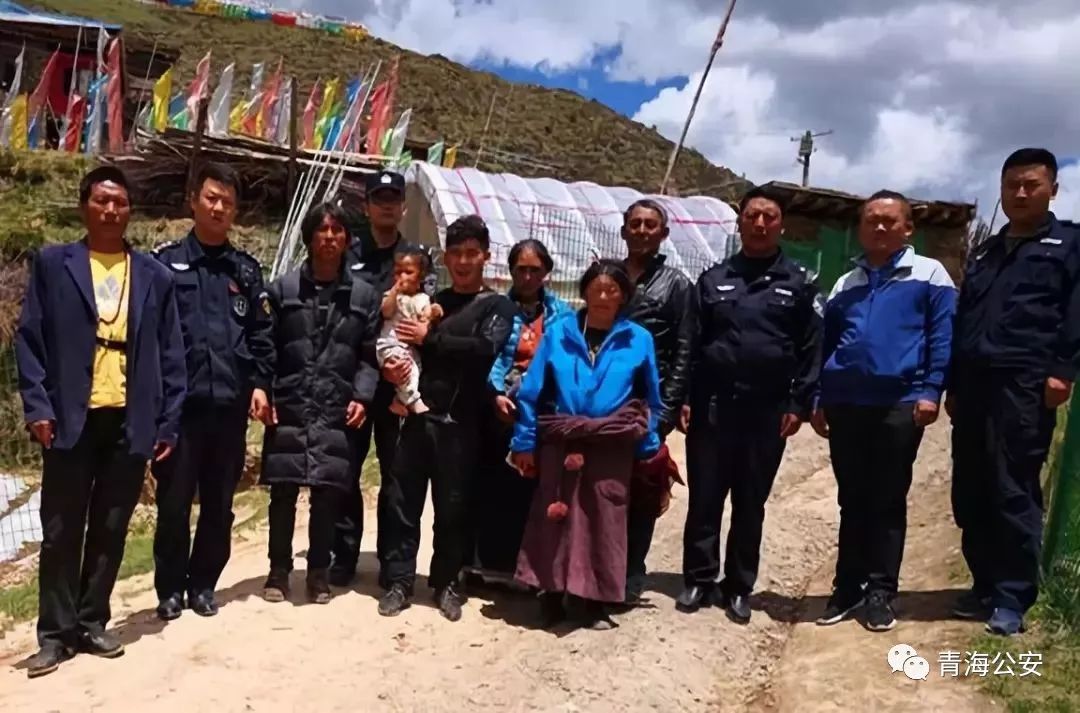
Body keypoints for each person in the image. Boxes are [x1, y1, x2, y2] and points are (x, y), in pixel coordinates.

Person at [15, 167, 186, 678]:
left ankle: (92, 621)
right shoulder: (54, 264)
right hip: (70, 418)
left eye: (120, 202)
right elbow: (30, 339)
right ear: (84, 205)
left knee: (111, 527)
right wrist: (38, 407)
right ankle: (54, 634)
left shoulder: (153, 275)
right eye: (102, 200)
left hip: (130, 420)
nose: (112, 210)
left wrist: (167, 423)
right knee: (60, 529)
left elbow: (171, 353)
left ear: (130, 211)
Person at [811, 190, 956, 632]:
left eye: (888, 220)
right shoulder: (845, 283)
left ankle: (880, 592)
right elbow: (826, 343)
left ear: (907, 228)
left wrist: (931, 391)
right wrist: (819, 396)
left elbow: (941, 337)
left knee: (887, 499)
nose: (878, 227)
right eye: (871, 219)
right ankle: (847, 588)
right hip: (846, 404)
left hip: (900, 403)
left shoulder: (931, 275)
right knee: (851, 498)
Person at [677, 187, 823, 624]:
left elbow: (813, 349)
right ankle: (699, 579)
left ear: (781, 225)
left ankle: (739, 586)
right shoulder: (712, 279)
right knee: (704, 497)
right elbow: (692, 344)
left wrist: (799, 403)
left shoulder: (799, 285)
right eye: (753, 215)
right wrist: (685, 398)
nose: (760, 223)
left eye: (769, 217)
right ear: (740, 223)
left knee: (749, 501)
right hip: (713, 406)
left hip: (767, 411)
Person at [949, 148, 1080, 636]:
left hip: (1024, 382)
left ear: (1053, 189)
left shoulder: (1068, 245)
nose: (1020, 194)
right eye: (1012, 186)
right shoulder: (985, 250)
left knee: (1012, 486)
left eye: (1031, 185)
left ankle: (1012, 596)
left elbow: (1074, 312)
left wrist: (1062, 370)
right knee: (971, 489)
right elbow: (965, 321)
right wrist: (954, 385)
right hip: (975, 383)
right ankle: (983, 584)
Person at [150, 163, 275, 621]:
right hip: (179, 411)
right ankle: (168, 589)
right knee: (174, 502)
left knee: (219, 504)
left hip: (229, 406)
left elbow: (262, 333)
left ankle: (203, 585)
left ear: (235, 211)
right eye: (211, 198)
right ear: (194, 201)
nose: (219, 207)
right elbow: (152, 334)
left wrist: (261, 385)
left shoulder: (245, 270)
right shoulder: (165, 264)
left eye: (227, 201)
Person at [510, 259, 663, 630]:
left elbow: (650, 397)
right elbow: (531, 393)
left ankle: (593, 600)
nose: (604, 297)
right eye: (597, 290)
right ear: (584, 293)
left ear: (623, 296)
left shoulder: (638, 339)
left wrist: (650, 447)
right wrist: (525, 441)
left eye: (612, 290)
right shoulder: (559, 333)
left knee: (604, 520)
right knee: (554, 517)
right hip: (560, 441)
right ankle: (550, 595)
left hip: (611, 446)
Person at [378, 215, 517, 621]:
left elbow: (484, 348)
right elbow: (397, 340)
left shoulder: (496, 305)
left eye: (471, 253)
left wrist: (431, 340)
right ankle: (400, 582)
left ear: (485, 257)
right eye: (455, 253)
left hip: (460, 425)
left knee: (453, 509)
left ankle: (447, 583)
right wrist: (392, 369)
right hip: (415, 418)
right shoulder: (431, 302)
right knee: (402, 503)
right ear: (445, 257)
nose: (462, 261)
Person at [253, 204, 381, 605]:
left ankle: (319, 574)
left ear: (347, 239)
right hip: (290, 401)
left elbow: (369, 354)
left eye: (337, 230)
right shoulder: (282, 290)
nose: (329, 237)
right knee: (283, 493)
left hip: (335, 404)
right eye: (321, 230)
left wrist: (362, 394)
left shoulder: (364, 296)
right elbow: (265, 348)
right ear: (309, 237)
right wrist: (262, 389)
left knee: (328, 492)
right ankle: (278, 571)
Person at [331, 169, 434, 587]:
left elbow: (426, 316)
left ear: (403, 207)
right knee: (345, 470)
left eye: (394, 198)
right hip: (356, 378)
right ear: (367, 205)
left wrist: (414, 353)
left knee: (398, 476)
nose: (387, 204)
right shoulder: (348, 252)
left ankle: (395, 569)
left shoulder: (417, 257)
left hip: (398, 381)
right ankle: (342, 557)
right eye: (379, 198)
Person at [470, 239, 571, 583]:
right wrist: (496, 394)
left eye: (535, 270)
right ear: (511, 271)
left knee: (533, 489)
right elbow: (491, 355)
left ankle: (527, 569)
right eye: (520, 269)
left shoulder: (563, 315)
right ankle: (489, 565)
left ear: (547, 272)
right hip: (500, 407)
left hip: (541, 409)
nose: (527, 277)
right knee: (494, 485)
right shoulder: (495, 308)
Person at [620, 199, 694, 604]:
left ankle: (633, 572)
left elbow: (684, 348)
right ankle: (604, 566)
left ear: (663, 234)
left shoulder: (677, 285)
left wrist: (666, 408)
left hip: (650, 403)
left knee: (644, 488)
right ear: (624, 231)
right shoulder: (610, 278)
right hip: (606, 401)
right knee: (605, 486)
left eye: (651, 225)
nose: (643, 230)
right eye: (636, 224)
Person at [377, 246, 443, 416]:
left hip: (409, 346)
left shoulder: (422, 298)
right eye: (398, 272)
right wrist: (394, 292)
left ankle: (399, 401)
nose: (402, 277)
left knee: (415, 368)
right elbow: (386, 311)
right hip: (390, 344)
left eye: (408, 272)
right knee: (407, 368)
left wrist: (433, 313)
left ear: (420, 277)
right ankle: (413, 400)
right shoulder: (392, 296)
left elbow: (425, 316)